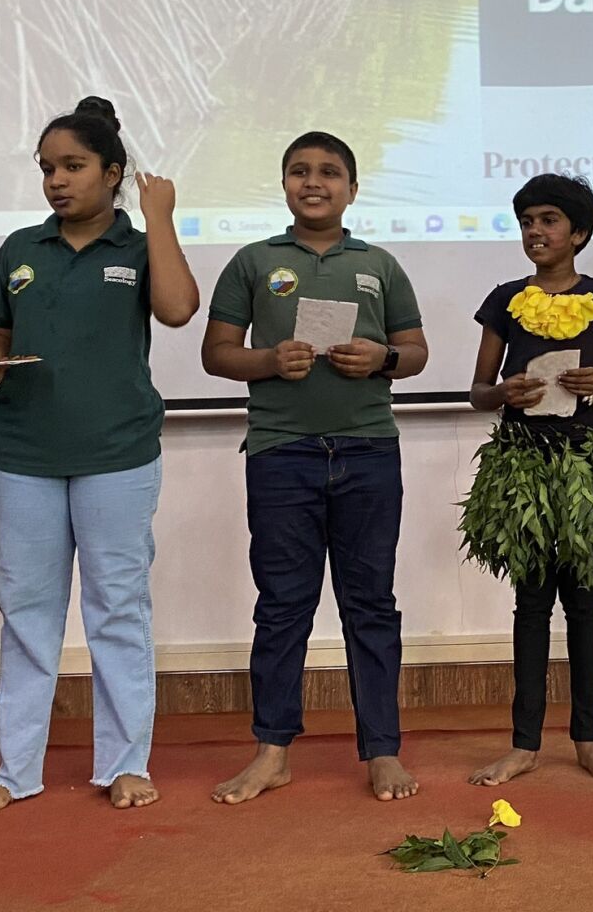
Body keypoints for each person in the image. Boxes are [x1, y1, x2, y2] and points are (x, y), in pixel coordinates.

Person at [0, 98, 200, 815]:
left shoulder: (137, 244)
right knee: (27, 610)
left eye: (73, 166)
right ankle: (15, 770)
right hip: (26, 451)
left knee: (117, 610)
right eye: (46, 169)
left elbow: (181, 309)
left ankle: (125, 763)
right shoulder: (22, 250)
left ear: (112, 172)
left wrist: (158, 217)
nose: (57, 181)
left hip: (117, 454)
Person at [203, 131, 428, 804]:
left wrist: (381, 358)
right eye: (299, 171)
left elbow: (414, 350)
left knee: (370, 607)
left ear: (352, 189)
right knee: (281, 608)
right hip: (280, 452)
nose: (313, 182)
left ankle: (381, 751)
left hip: (367, 450)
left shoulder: (379, 265)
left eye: (329, 172)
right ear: (283, 185)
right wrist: (270, 361)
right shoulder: (253, 261)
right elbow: (217, 353)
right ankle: (272, 751)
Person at [462, 174, 593, 787]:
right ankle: (524, 744)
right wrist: (502, 392)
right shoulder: (506, 299)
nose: (535, 231)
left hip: (583, 465)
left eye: (549, 221)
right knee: (531, 603)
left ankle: (588, 739)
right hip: (523, 467)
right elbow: (477, 392)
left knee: (584, 601)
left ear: (580, 233)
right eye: (527, 222)